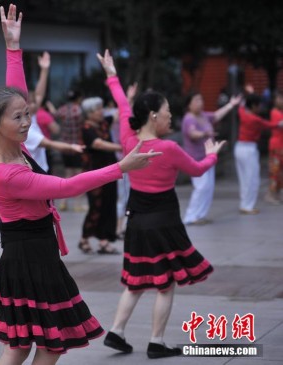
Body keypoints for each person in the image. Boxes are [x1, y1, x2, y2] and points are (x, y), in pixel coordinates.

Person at [0, 6, 159, 364]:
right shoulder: (7, 171)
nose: (25, 122)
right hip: (29, 258)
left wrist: (13, 49)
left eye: (27, 115)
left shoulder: (12, 146)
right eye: (17, 118)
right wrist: (121, 167)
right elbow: (66, 187)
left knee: (24, 344)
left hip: (34, 253)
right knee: (47, 343)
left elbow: (14, 95)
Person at [96, 50, 224, 359]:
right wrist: (212, 153)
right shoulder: (168, 148)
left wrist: (112, 74)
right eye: (166, 111)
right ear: (154, 115)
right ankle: (157, 342)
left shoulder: (129, 139)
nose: (170, 116)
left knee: (135, 282)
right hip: (164, 221)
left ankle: (117, 331)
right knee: (165, 285)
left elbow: (123, 103)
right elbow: (197, 169)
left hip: (136, 219)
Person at [182, 92, 241, 225]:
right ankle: (190, 216)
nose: (200, 103)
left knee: (208, 187)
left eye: (201, 99)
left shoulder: (203, 116)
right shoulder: (189, 118)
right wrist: (204, 133)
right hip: (196, 159)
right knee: (201, 187)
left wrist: (231, 105)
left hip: (208, 157)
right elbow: (192, 133)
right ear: (189, 105)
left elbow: (216, 115)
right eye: (196, 100)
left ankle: (200, 215)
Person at [77, 96, 122, 255]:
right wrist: (121, 147)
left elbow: (118, 113)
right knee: (96, 206)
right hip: (94, 174)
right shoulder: (87, 127)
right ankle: (86, 238)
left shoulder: (103, 123)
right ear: (89, 113)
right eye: (97, 109)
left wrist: (127, 98)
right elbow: (98, 144)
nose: (101, 111)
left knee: (109, 204)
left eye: (101, 108)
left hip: (110, 170)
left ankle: (103, 240)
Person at [234, 93, 283, 214]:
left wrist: (245, 97)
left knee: (244, 178)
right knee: (252, 179)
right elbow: (269, 125)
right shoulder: (254, 119)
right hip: (249, 150)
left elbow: (241, 107)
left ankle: (244, 204)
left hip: (239, 147)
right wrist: (279, 124)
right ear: (254, 106)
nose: (260, 107)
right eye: (259, 105)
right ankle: (248, 206)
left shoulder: (243, 113)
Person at [55, 86, 85, 211]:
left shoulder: (62, 110)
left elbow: (56, 115)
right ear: (78, 98)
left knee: (67, 173)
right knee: (78, 174)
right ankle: (77, 204)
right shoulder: (79, 111)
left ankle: (63, 202)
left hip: (65, 146)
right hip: (77, 145)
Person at [267, 91, 283, 204]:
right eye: (278, 98)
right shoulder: (274, 112)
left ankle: (277, 194)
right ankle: (271, 195)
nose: (280, 101)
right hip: (276, 146)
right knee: (275, 171)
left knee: (280, 173)